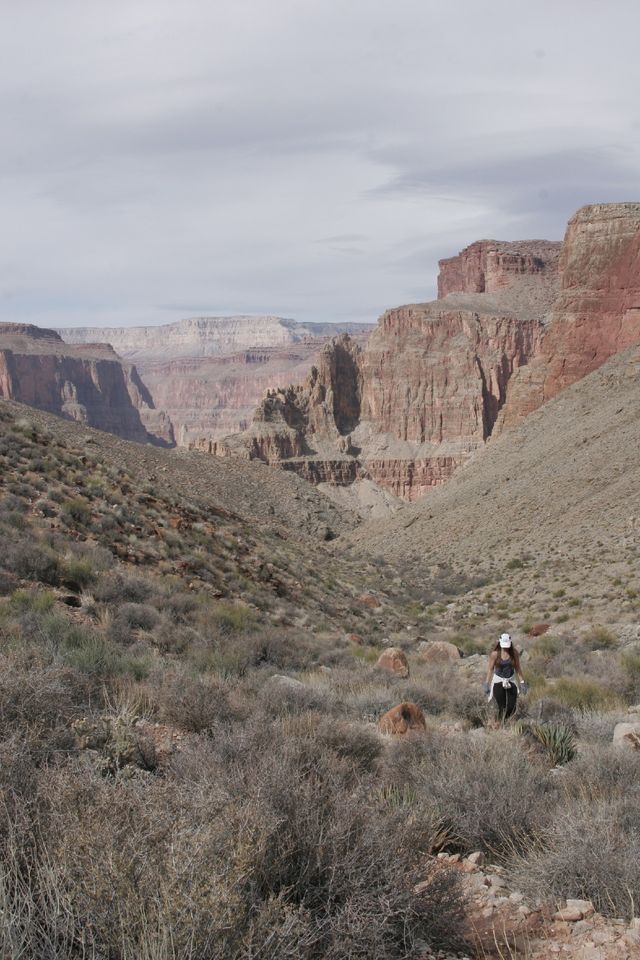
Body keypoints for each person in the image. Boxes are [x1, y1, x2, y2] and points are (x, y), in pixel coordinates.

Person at [483, 632, 527, 722]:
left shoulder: (514, 653)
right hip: (498, 680)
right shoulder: (495, 654)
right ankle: (501, 723)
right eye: (504, 645)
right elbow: (490, 669)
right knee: (501, 705)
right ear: (500, 643)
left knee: (512, 706)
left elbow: (518, 668)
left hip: (511, 679)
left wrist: (522, 682)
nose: (506, 647)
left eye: (507, 645)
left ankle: (507, 720)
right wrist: (487, 683)